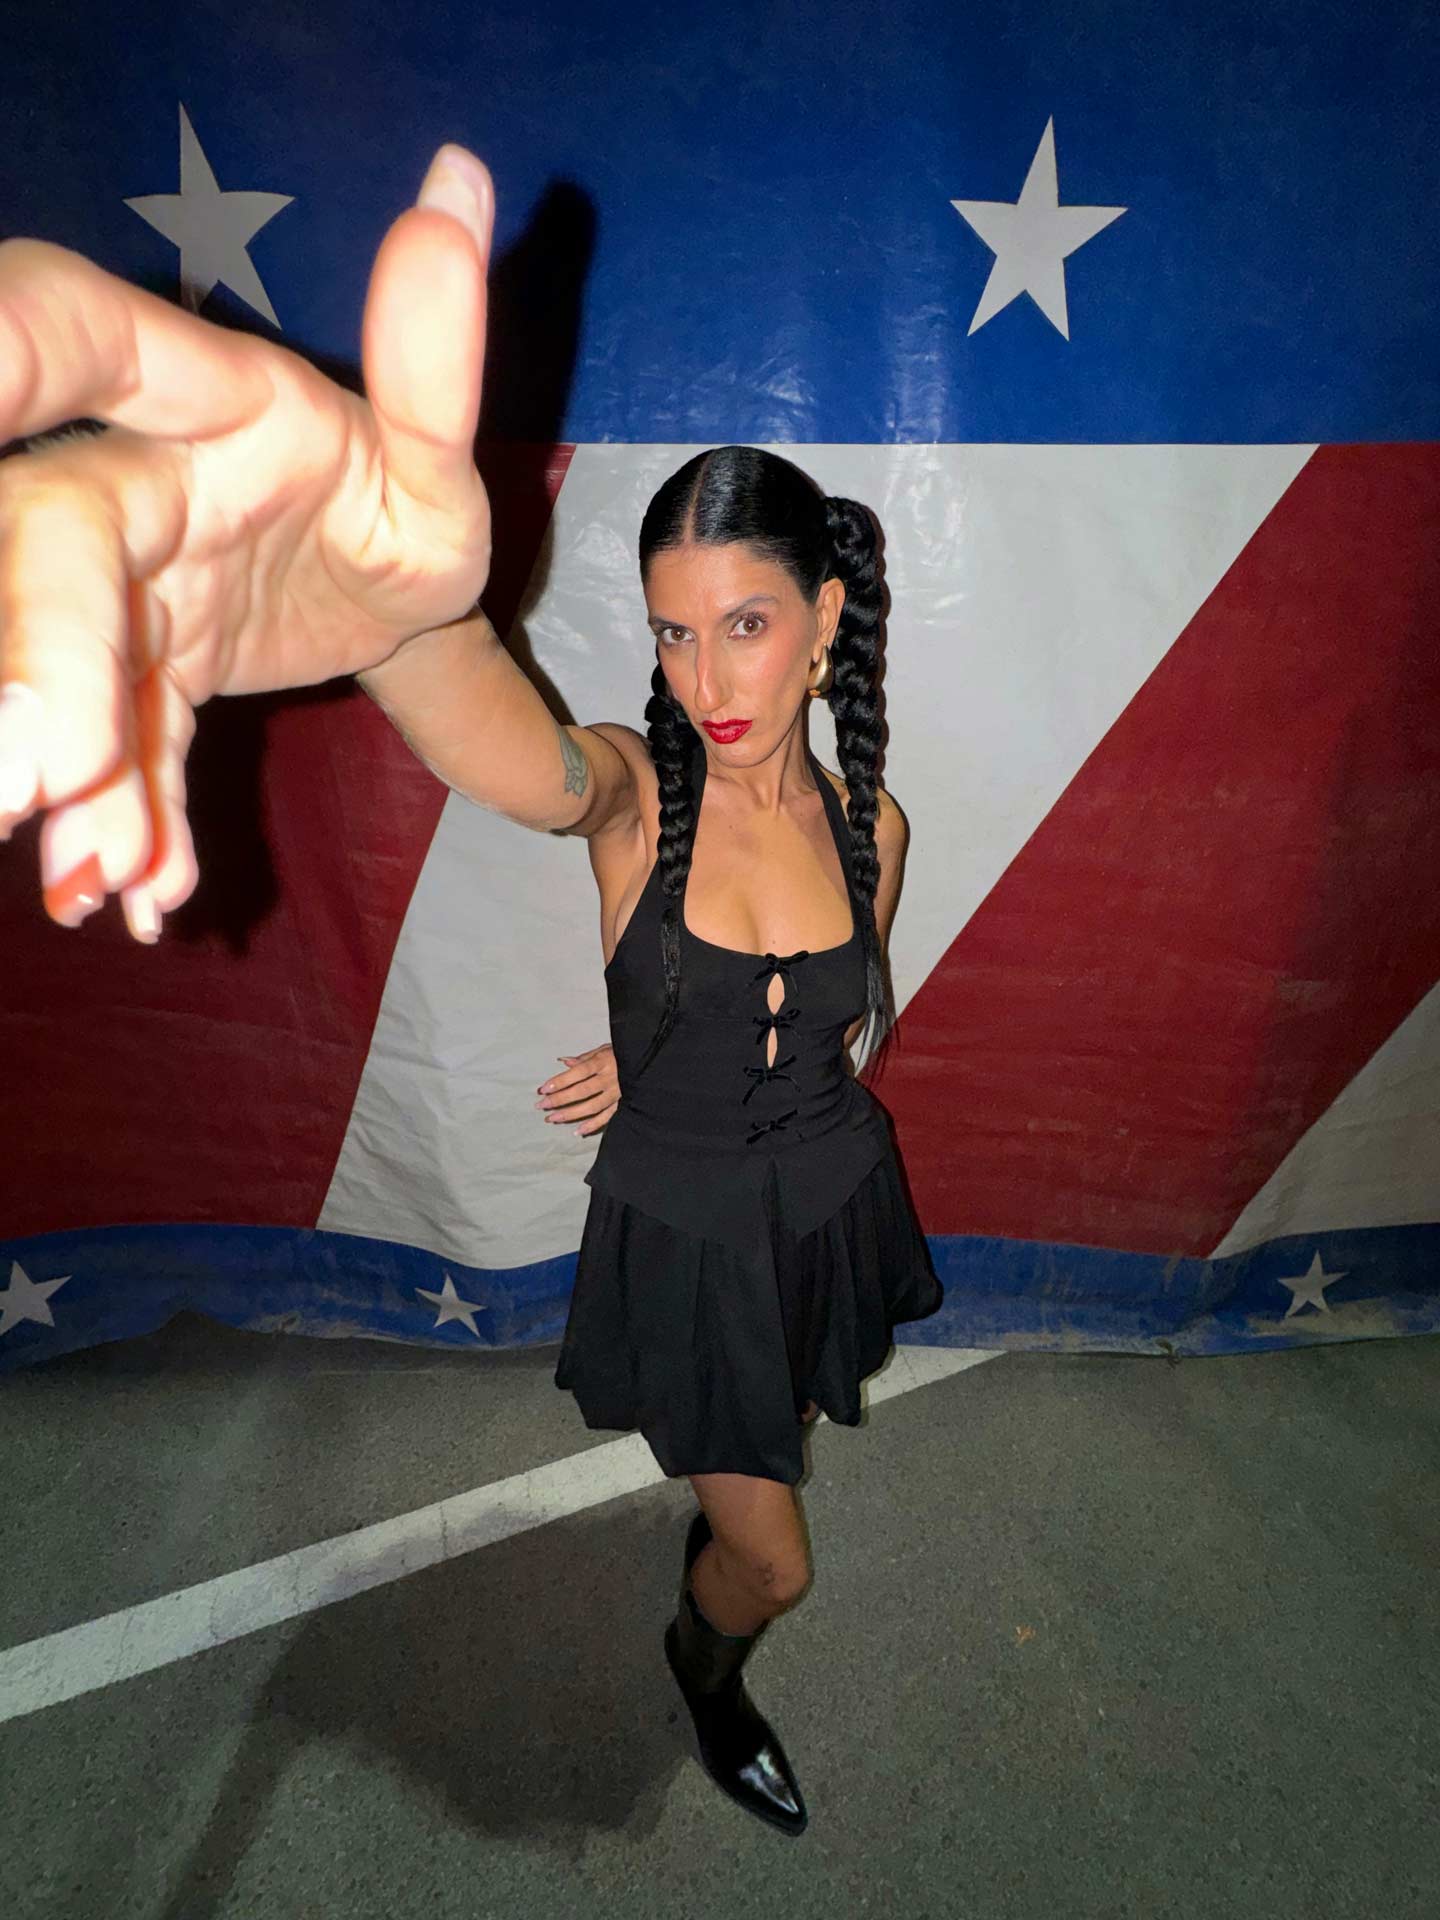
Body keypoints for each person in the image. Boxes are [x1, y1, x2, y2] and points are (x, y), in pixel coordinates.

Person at [0, 142, 942, 1838]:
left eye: (742, 626)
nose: (703, 677)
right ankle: (705, 1664)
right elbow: (519, 760)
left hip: (825, 1197)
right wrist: (402, 629)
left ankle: (723, 1514)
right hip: (690, 1233)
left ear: (824, 620)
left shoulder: (876, 826)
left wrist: (659, 1044)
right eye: (671, 633)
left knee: (782, 1423)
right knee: (773, 1560)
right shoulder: (633, 796)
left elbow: (837, 1022)